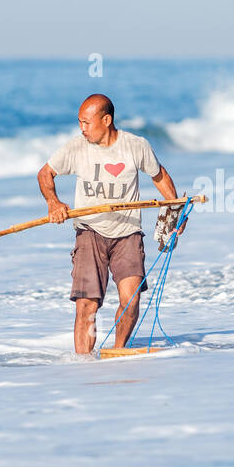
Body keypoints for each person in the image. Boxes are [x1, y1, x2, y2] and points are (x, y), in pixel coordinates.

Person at [38, 94, 184, 354]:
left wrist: (174, 210)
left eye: (86, 123)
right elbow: (45, 173)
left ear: (106, 120)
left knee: (131, 299)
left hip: (128, 234)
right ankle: (83, 363)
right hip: (89, 232)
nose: (81, 129)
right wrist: (53, 203)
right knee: (87, 304)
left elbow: (159, 175)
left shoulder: (135, 146)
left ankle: (118, 351)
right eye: (79, 122)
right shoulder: (76, 148)